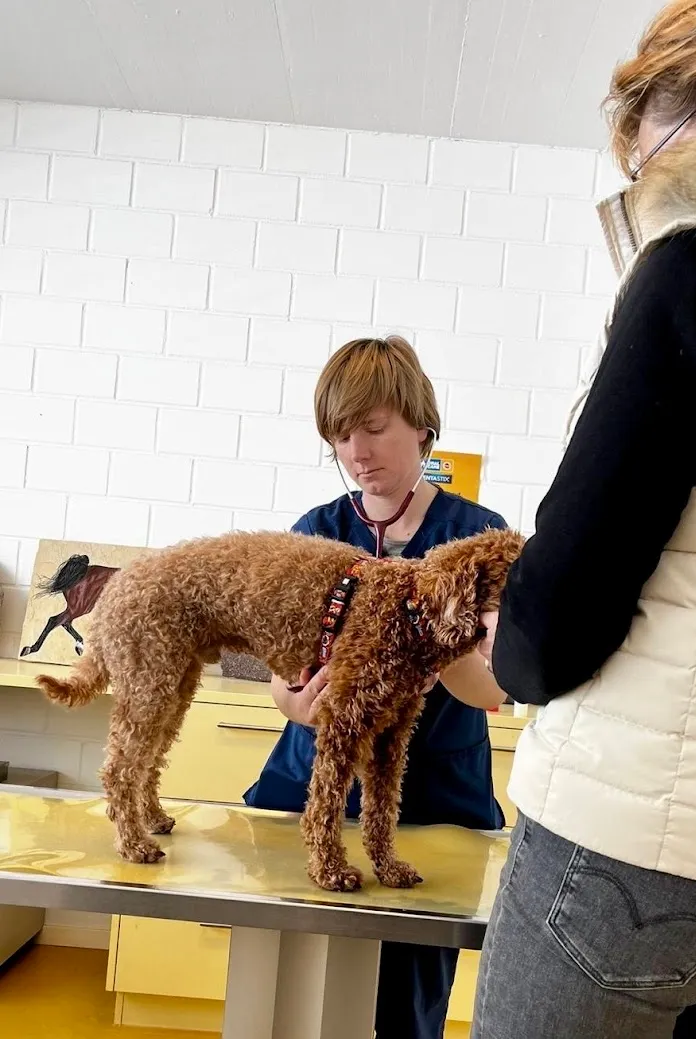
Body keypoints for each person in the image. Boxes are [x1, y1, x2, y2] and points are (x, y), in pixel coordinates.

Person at [472, 2, 696, 1037]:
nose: (645, 191)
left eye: (649, 159)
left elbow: (555, 616)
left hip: (631, 859)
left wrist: (501, 644)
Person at [244, 335, 508, 1039]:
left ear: (422, 424)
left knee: (407, 1008)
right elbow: (282, 678)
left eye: (374, 428)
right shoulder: (315, 535)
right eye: (340, 437)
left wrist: (434, 642)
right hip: (311, 790)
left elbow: (493, 689)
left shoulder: (477, 540)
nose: (358, 451)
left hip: (433, 803)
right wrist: (296, 704)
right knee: (289, 997)